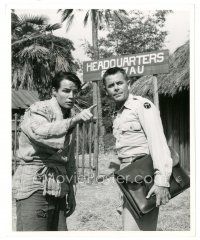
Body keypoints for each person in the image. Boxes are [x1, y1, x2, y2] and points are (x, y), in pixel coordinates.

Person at [12, 71, 96, 231]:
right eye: (66, 91)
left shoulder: (68, 116)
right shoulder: (38, 109)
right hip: (34, 185)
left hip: (59, 187)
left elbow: (69, 159)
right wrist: (73, 120)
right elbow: (41, 133)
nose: (71, 96)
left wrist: (71, 191)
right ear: (54, 91)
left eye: (75, 92)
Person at [102, 67, 173, 231]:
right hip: (128, 179)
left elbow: (158, 143)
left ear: (128, 83)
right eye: (111, 85)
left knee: (138, 230)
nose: (116, 88)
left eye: (120, 83)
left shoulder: (142, 105)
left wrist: (162, 181)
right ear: (106, 90)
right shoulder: (119, 114)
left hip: (144, 177)